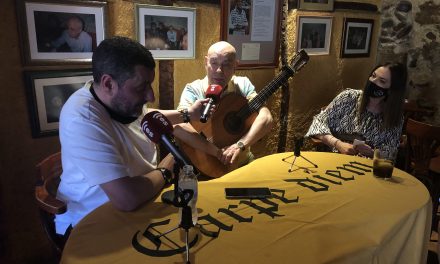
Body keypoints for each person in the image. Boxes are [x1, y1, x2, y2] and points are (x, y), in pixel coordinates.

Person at [55, 36, 209, 235]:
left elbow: (149, 116)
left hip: (141, 205)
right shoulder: (81, 117)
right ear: (108, 83)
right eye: (141, 87)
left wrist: (188, 114)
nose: (150, 96)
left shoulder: (119, 101)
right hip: (92, 221)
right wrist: (166, 170)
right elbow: (126, 199)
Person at [177, 41, 273, 168]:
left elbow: (266, 118)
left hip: (241, 162)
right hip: (203, 165)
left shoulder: (243, 85)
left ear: (235, 66)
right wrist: (217, 152)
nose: (219, 70)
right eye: (214, 63)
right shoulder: (193, 89)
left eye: (226, 65)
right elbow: (180, 126)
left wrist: (239, 145)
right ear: (206, 62)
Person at [305, 62, 408, 158]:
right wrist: (338, 144)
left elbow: (391, 153)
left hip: (367, 168)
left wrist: (373, 153)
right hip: (334, 159)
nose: (373, 82)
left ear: (392, 90)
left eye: (382, 81)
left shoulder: (394, 117)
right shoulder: (348, 97)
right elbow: (318, 123)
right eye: (373, 76)